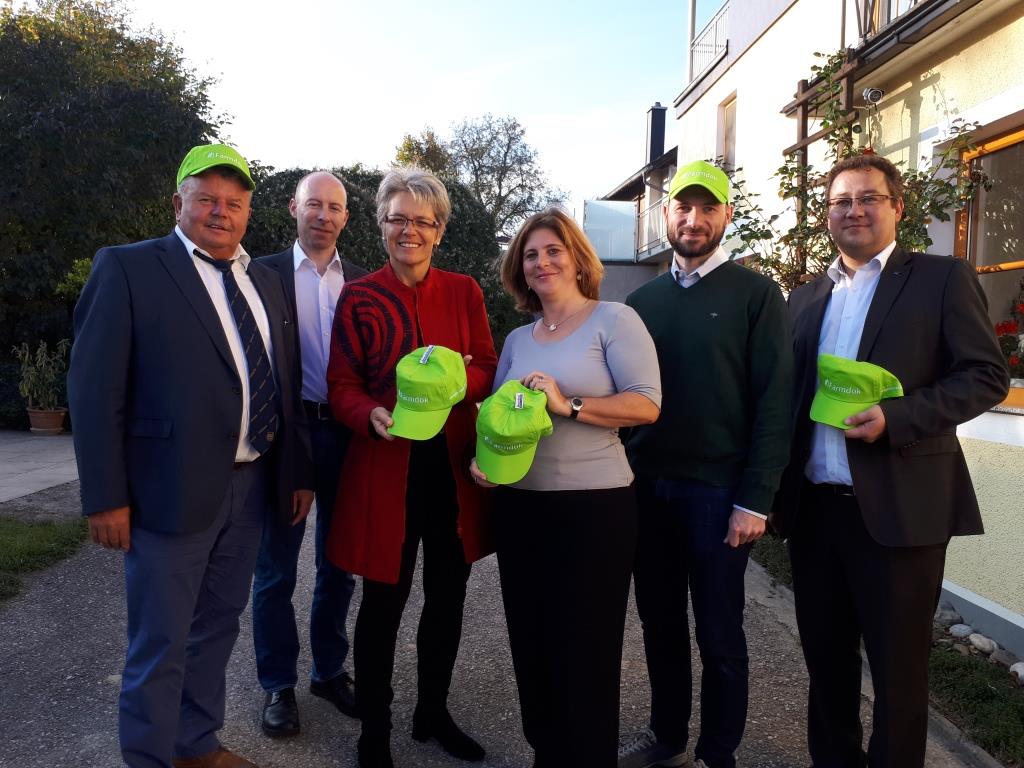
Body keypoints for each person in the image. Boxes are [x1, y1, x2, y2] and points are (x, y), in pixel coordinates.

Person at [67, 144, 314, 768]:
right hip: (165, 492)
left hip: (250, 486)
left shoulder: (265, 280)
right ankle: (149, 756)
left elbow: (285, 380)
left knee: (217, 629)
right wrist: (106, 496)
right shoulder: (128, 268)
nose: (219, 212)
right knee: (160, 641)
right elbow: (94, 392)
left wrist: (295, 472)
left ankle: (196, 742)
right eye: (206, 199)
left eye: (233, 203)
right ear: (178, 203)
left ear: (250, 213)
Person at [773, 153, 1009, 767]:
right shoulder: (804, 298)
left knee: (899, 680)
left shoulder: (940, 278)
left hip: (901, 516)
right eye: (840, 200)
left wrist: (896, 418)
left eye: (868, 198)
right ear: (827, 214)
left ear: (896, 207)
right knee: (826, 672)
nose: (853, 210)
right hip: (817, 515)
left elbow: (986, 376)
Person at [470, 207, 662, 768]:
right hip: (521, 507)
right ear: (519, 269)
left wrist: (569, 404)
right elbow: (501, 414)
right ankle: (548, 753)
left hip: (594, 510)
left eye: (553, 250)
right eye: (530, 255)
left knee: (585, 647)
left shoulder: (615, 320)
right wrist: (485, 460)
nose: (542, 261)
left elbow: (647, 404)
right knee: (532, 642)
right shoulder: (518, 337)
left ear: (577, 258)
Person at [618, 161, 793, 768]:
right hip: (648, 491)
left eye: (707, 208)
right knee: (660, 627)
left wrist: (757, 499)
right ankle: (667, 737)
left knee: (719, 635)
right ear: (666, 215)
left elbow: (776, 402)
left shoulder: (757, 295)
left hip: (719, 497)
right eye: (683, 208)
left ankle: (719, 752)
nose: (694, 219)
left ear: (727, 216)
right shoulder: (640, 302)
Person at [326, 167, 498, 768]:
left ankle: (433, 711)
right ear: (381, 225)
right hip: (387, 467)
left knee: (447, 598)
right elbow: (340, 384)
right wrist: (369, 411)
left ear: (439, 230)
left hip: (450, 468)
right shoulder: (360, 295)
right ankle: (374, 729)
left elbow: (487, 366)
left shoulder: (464, 291)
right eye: (398, 218)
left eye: (423, 221)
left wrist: (457, 383)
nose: (410, 231)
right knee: (383, 604)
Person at [251, 171, 367, 737]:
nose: (323, 215)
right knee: (274, 570)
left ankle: (328, 670)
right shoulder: (259, 274)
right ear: (294, 207)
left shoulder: (364, 283)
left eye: (335, 207)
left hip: (347, 436)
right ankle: (278, 685)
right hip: (284, 438)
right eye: (314, 204)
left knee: (338, 566)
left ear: (347, 217)